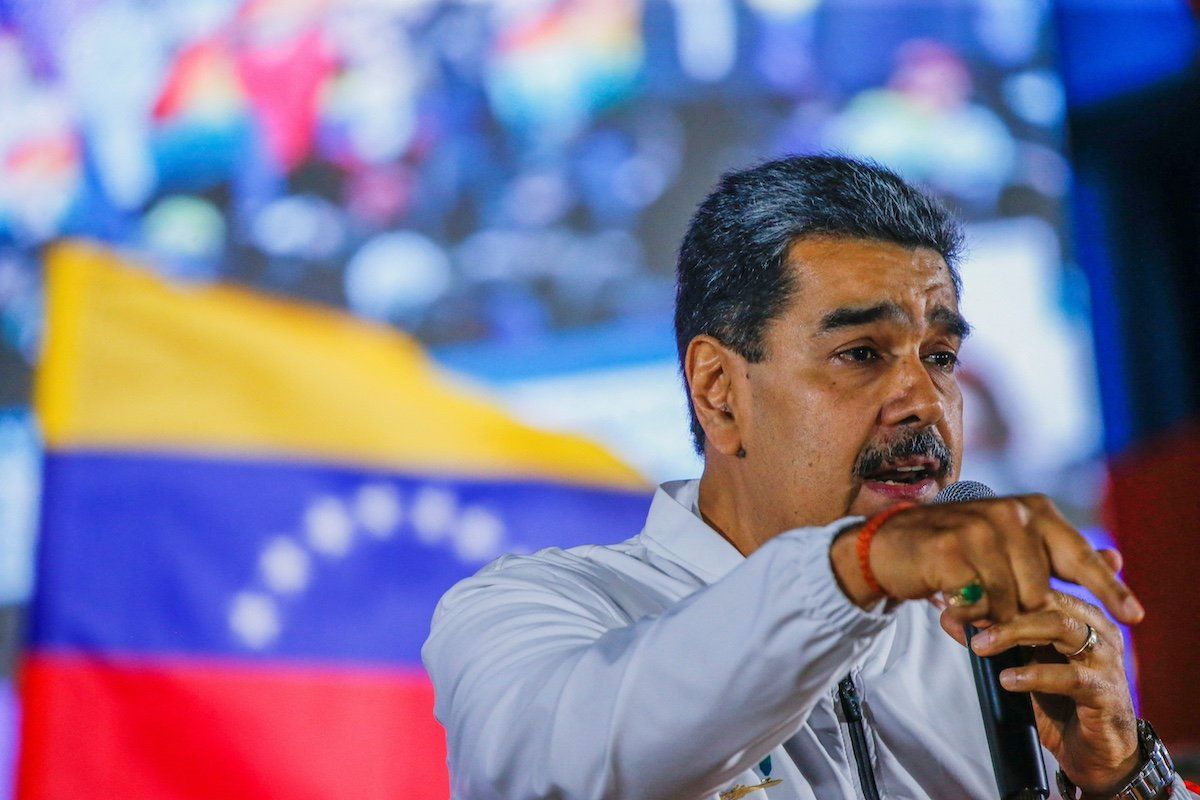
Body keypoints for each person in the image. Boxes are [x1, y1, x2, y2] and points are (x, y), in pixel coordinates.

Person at [422, 155, 1192, 800]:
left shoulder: (992, 642)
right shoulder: (535, 608)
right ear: (719, 389)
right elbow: (553, 769)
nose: (925, 401)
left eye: (941, 356)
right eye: (861, 353)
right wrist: (858, 567)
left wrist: (1120, 774)